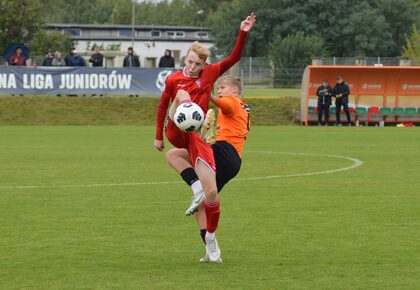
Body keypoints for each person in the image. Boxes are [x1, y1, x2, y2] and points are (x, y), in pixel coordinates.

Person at [154, 13, 256, 263]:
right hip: (176, 128)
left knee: (209, 195)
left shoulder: (209, 74)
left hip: (195, 139)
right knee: (180, 96)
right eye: (189, 62)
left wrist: (242, 32)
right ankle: (196, 183)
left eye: (196, 65)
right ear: (185, 59)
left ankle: (211, 243)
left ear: (203, 65)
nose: (191, 67)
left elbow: (234, 58)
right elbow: (162, 105)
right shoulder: (174, 79)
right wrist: (158, 136)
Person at [165, 75, 250, 262]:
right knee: (202, 204)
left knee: (175, 155)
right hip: (230, 159)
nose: (219, 90)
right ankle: (211, 248)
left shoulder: (233, 101)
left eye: (223, 87)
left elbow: (226, 105)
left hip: (224, 152)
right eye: (218, 88)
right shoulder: (243, 107)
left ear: (235, 90)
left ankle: (198, 189)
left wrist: (209, 95)